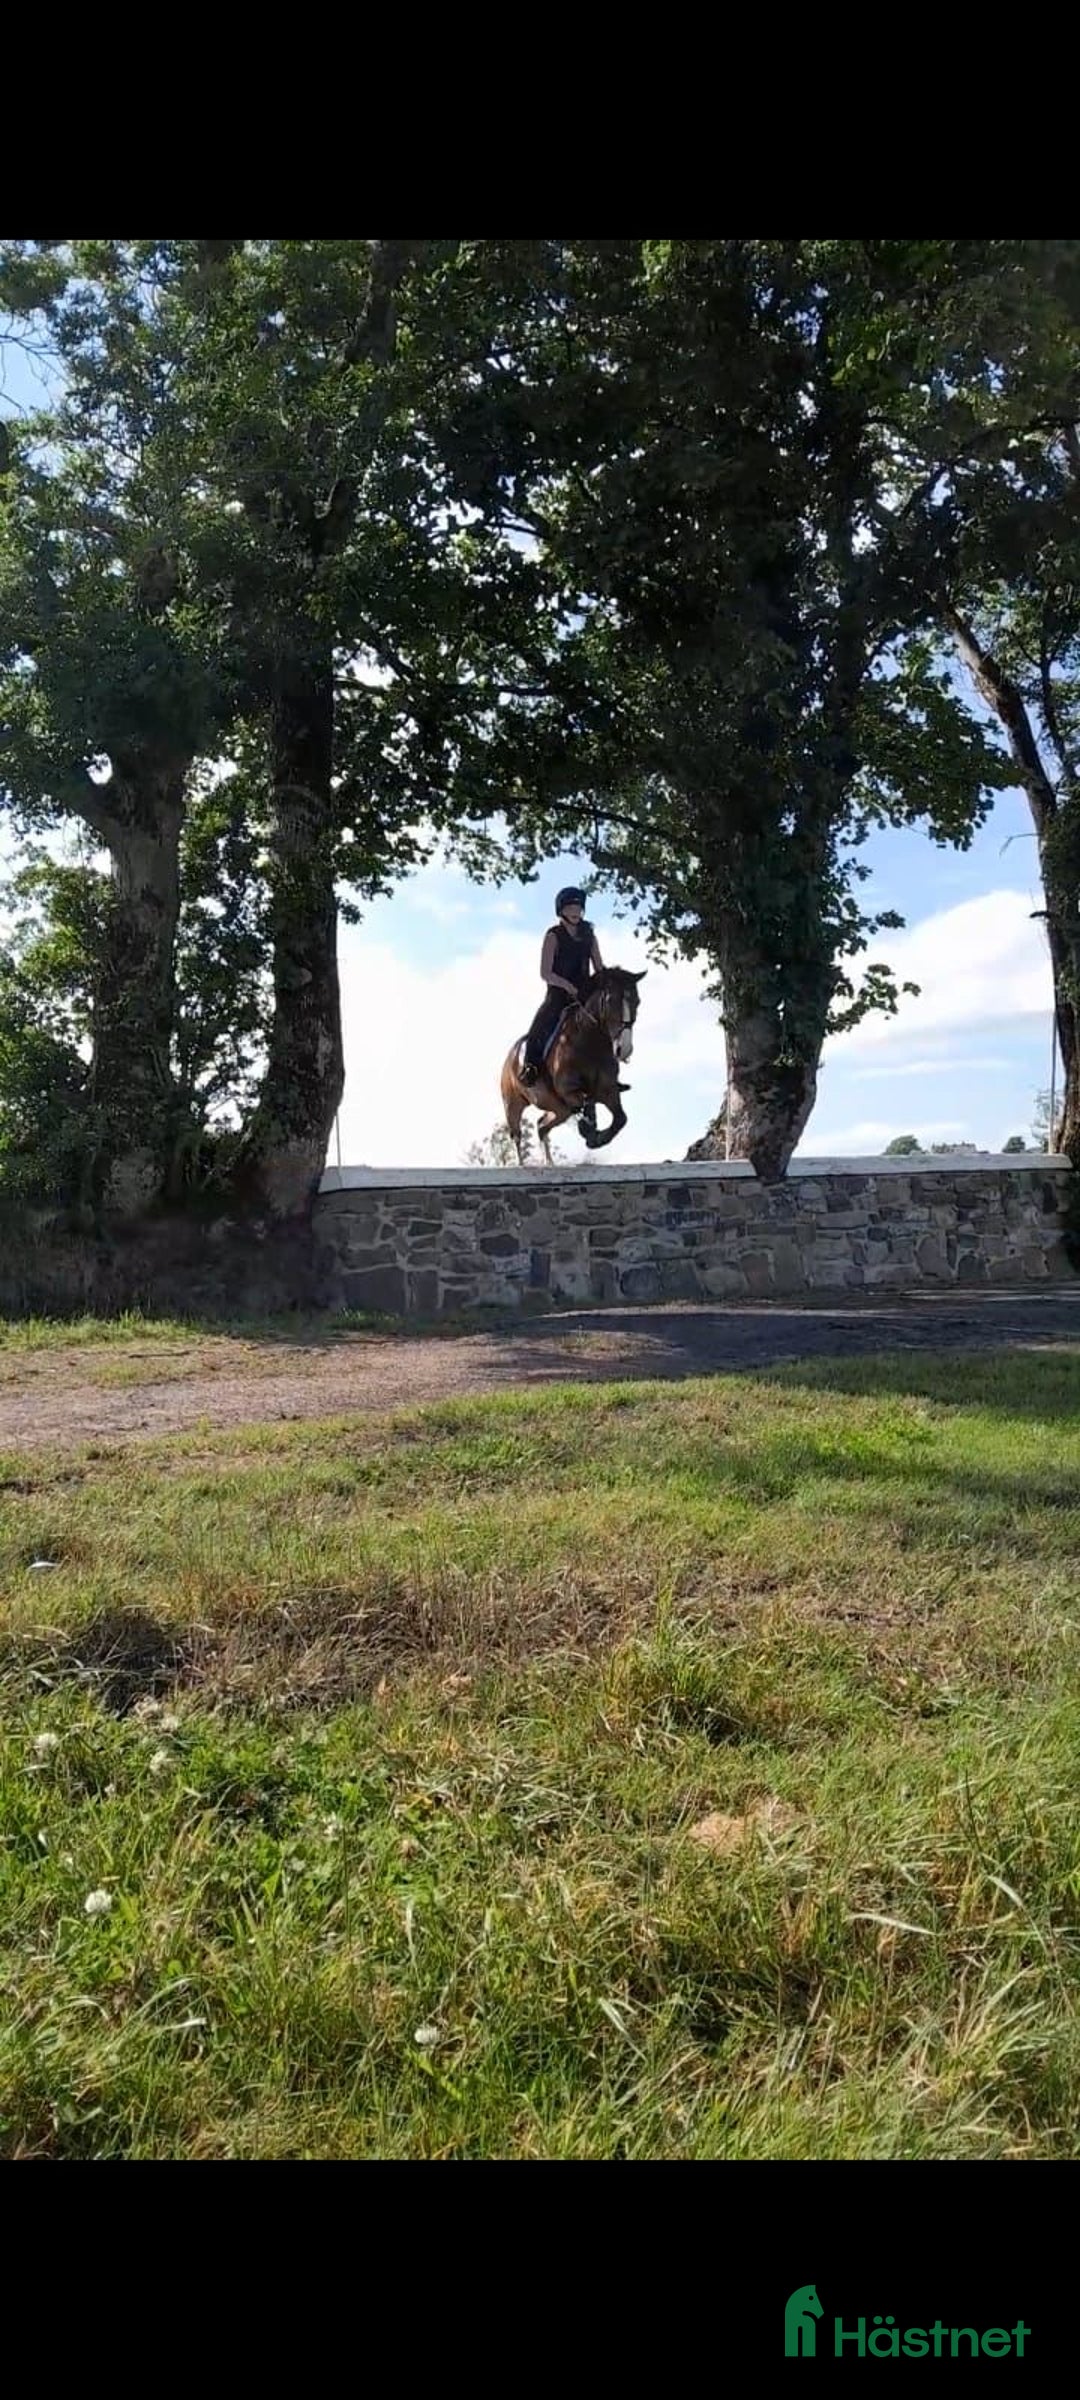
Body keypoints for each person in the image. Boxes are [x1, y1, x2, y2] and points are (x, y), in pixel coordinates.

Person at [520, 888, 604, 1086]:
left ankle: (608, 1068)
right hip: (559, 993)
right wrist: (567, 986)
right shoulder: (553, 936)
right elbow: (545, 973)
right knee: (540, 1023)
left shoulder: (589, 936)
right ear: (561, 910)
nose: (576, 911)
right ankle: (531, 1065)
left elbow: (599, 967)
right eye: (570, 907)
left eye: (579, 907)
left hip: (584, 993)